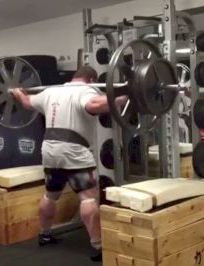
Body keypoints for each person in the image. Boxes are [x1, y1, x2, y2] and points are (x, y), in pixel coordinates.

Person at [12, 66, 127, 261]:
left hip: (49, 150)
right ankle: (97, 245)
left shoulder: (51, 91)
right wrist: (124, 97)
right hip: (74, 151)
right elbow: (94, 105)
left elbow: (26, 102)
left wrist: (16, 92)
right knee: (88, 199)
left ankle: (45, 234)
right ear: (91, 80)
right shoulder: (86, 91)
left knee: (50, 195)